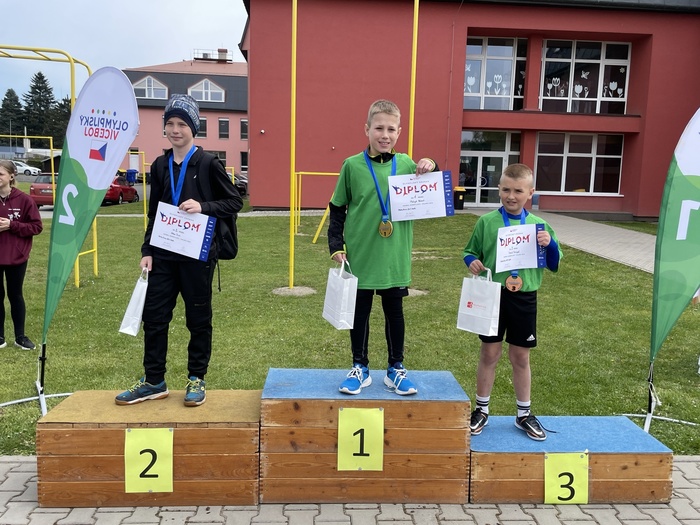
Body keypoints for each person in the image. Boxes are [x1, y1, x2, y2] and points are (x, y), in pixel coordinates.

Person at [116, 94, 243, 407]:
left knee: (198, 319)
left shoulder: (208, 163)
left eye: (182, 124)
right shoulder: (160, 165)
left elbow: (234, 201)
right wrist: (147, 249)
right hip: (163, 253)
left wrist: (203, 206)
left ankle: (196, 378)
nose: (175, 129)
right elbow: (154, 212)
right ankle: (154, 380)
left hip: (198, 256)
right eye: (170, 123)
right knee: (154, 317)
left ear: (193, 128)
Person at [327, 99, 438, 396]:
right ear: (367, 129)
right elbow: (337, 208)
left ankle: (395, 369)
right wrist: (335, 244)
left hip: (394, 256)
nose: (384, 135)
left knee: (394, 313)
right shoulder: (351, 166)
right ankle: (360, 367)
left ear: (399, 132)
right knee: (359, 313)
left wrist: (430, 163)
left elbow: (433, 180)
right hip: (361, 254)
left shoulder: (407, 165)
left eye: (391, 129)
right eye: (378, 128)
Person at [462, 163, 562, 440]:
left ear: (531, 192)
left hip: (525, 297)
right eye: (506, 189)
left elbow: (554, 264)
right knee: (489, 353)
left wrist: (550, 244)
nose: (511, 196)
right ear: (499, 189)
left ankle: (523, 414)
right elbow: (469, 251)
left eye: (518, 191)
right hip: (493, 295)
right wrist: (472, 262)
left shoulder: (539, 226)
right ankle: (482, 410)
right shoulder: (487, 222)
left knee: (520, 356)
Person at [0, 159, 43, 351]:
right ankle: (0, 337)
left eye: (0, 174)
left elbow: (36, 227)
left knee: (15, 294)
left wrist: (12, 225)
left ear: (11, 176)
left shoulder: (24, 200)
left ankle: (20, 337)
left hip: (16, 257)